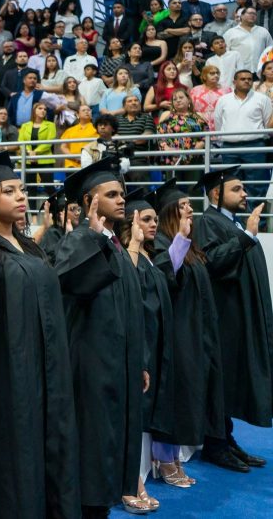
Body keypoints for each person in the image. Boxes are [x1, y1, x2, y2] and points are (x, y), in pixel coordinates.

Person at [0, 151, 80, 519]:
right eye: (9, 191)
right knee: (17, 462)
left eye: (21, 189)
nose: (21, 196)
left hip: (47, 375)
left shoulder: (30, 247)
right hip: (7, 380)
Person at [54, 157, 148, 518]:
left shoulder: (117, 245)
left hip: (118, 365)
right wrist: (93, 238)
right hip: (90, 366)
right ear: (89, 203)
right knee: (93, 445)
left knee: (111, 441)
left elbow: (130, 310)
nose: (121, 200)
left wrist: (137, 362)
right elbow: (72, 285)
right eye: (111, 194)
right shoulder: (77, 241)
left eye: (122, 193)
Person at [147, 180, 225, 485]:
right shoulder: (162, 242)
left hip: (193, 331)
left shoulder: (189, 244)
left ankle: (174, 456)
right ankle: (164, 458)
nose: (191, 208)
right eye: (184, 205)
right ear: (170, 212)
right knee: (175, 395)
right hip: (175, 334)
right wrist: (180, 239)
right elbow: (165, 278)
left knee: (189, 392)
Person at [193, 167, 271, 472]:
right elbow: (212, 262)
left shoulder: (230, 222)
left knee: (231, 380)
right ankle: (215, 444)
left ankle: (226, 439)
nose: (245, 194)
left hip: (239, 318)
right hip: (222, 320)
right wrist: (247, 235)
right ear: (216, 194)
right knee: (220, 382)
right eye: (237, 189)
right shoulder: (207, 223)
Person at [114, 189, 172, 513]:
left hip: (145, 346)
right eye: (145, 219)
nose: (153, 224)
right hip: (126, 346)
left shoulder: (148, 255)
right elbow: (131, 289)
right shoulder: (124, 253)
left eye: (154, 218)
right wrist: (134, 244)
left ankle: (139, 477)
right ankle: (131, 483)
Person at [213, 68, 273, 196]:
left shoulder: (262, 99)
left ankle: (256, 216)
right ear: (234, 81)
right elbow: (218, 123)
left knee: (256, 186)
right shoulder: (223, 100)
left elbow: (268, 124)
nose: (246, 81)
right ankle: (235, 217)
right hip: (229, 148)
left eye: (249, 79)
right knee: (231, 186)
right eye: (242, 79)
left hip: (255, 147)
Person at [17, 101, 57, 192]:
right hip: (28, 159)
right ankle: (31, 207)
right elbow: (21, 141)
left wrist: (35, 152)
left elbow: (49, 142)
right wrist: (29, 152)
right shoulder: (25, 125)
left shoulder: (51, 125)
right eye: (40, 108)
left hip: (45, 159)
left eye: (45, 109)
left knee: (49, 186)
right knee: (30, 188)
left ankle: (55, 206)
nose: (43, 111)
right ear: (34, 110)